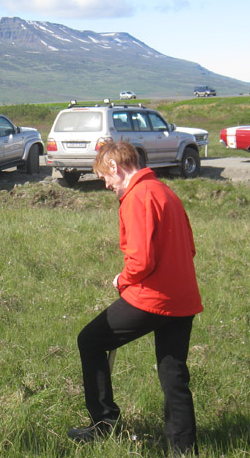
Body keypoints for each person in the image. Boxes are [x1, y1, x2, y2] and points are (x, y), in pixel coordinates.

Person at [67, 141, 203, 456]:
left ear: (115, 166)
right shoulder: (165, 191)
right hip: (183, 298)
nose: (105, 183)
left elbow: (142, 261)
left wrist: (122, 279)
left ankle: (103, 422)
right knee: (174, 374)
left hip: (153, 298)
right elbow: (190, 248)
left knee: (89, 340)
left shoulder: (137, 196)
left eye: (104, 175)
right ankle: (183, 449)